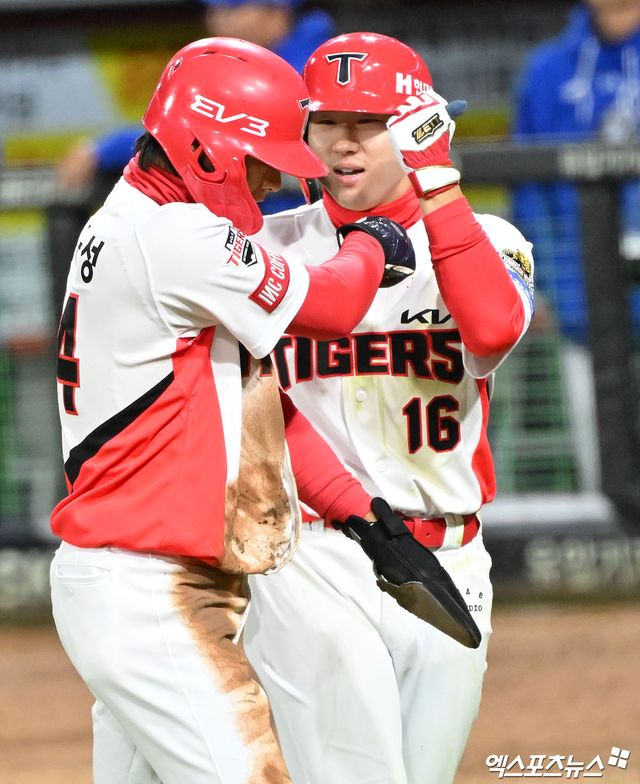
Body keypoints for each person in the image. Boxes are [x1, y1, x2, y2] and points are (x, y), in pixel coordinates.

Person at [49, 37, 417, 784]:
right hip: (148, 593)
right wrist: (377, 242)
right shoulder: (173, 234)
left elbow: (256, 402)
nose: (274, 182)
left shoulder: (130, 218)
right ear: (208, 147)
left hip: (137, 580)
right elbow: (336, 302)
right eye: (258, 161)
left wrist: (358, 512)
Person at [242, 32, 535, 784]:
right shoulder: (264, 246)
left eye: (369, 122)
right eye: (327, 120)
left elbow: (494, 329)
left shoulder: (487, 240)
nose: (344, 142)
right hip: (312, 555)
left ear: (415, 126)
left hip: (450, 556)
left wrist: (438, 185)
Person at [512, 0, 640, 489]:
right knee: (600, 459)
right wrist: (538, 280)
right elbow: (528, 191)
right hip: (581, 290)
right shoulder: (548, 69)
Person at [57, 0, 334, 215]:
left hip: (310, 224)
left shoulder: (316, 64)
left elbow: (199, 130)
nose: (218, 20)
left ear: (278, 11)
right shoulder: (238, 63)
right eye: (214, 9)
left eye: (234, 9)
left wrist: (105, 149)